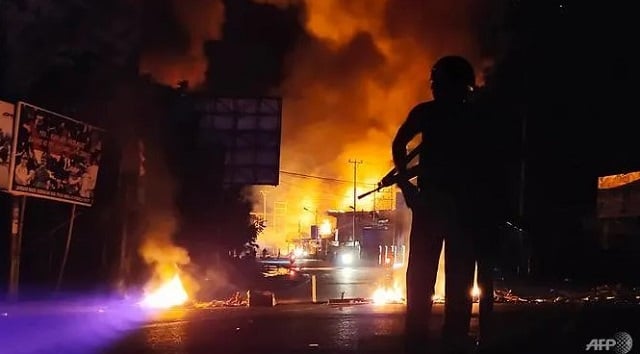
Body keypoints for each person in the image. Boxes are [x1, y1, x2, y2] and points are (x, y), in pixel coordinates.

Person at [392, 55, 498, 353]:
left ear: (456, 85)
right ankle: (423, 338)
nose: (434, 86)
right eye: (434, 82)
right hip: (438, 205)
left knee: (456, 279)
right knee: (425, 277)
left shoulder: (471, 116)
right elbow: (399, 143)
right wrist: (405, 185)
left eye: (439, 82)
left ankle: (448, 339)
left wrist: (407, 185)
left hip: (456, 208)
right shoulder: (440, 113)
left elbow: (490, 164)